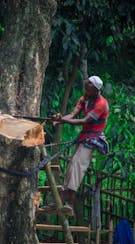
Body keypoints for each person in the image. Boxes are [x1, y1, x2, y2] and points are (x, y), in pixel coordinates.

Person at [46, 76, 109, 215]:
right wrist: (59, 121)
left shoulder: (101, 104)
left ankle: (70, 204)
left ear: (96, 90)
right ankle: (62, 201)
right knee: (71, 167)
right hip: (84, 137)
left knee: (77, 165)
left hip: (93, 139)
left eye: (88, 88)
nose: (85, 91)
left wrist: (62, 121)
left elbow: (84, 121)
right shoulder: (85, 98)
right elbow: (73, 114)